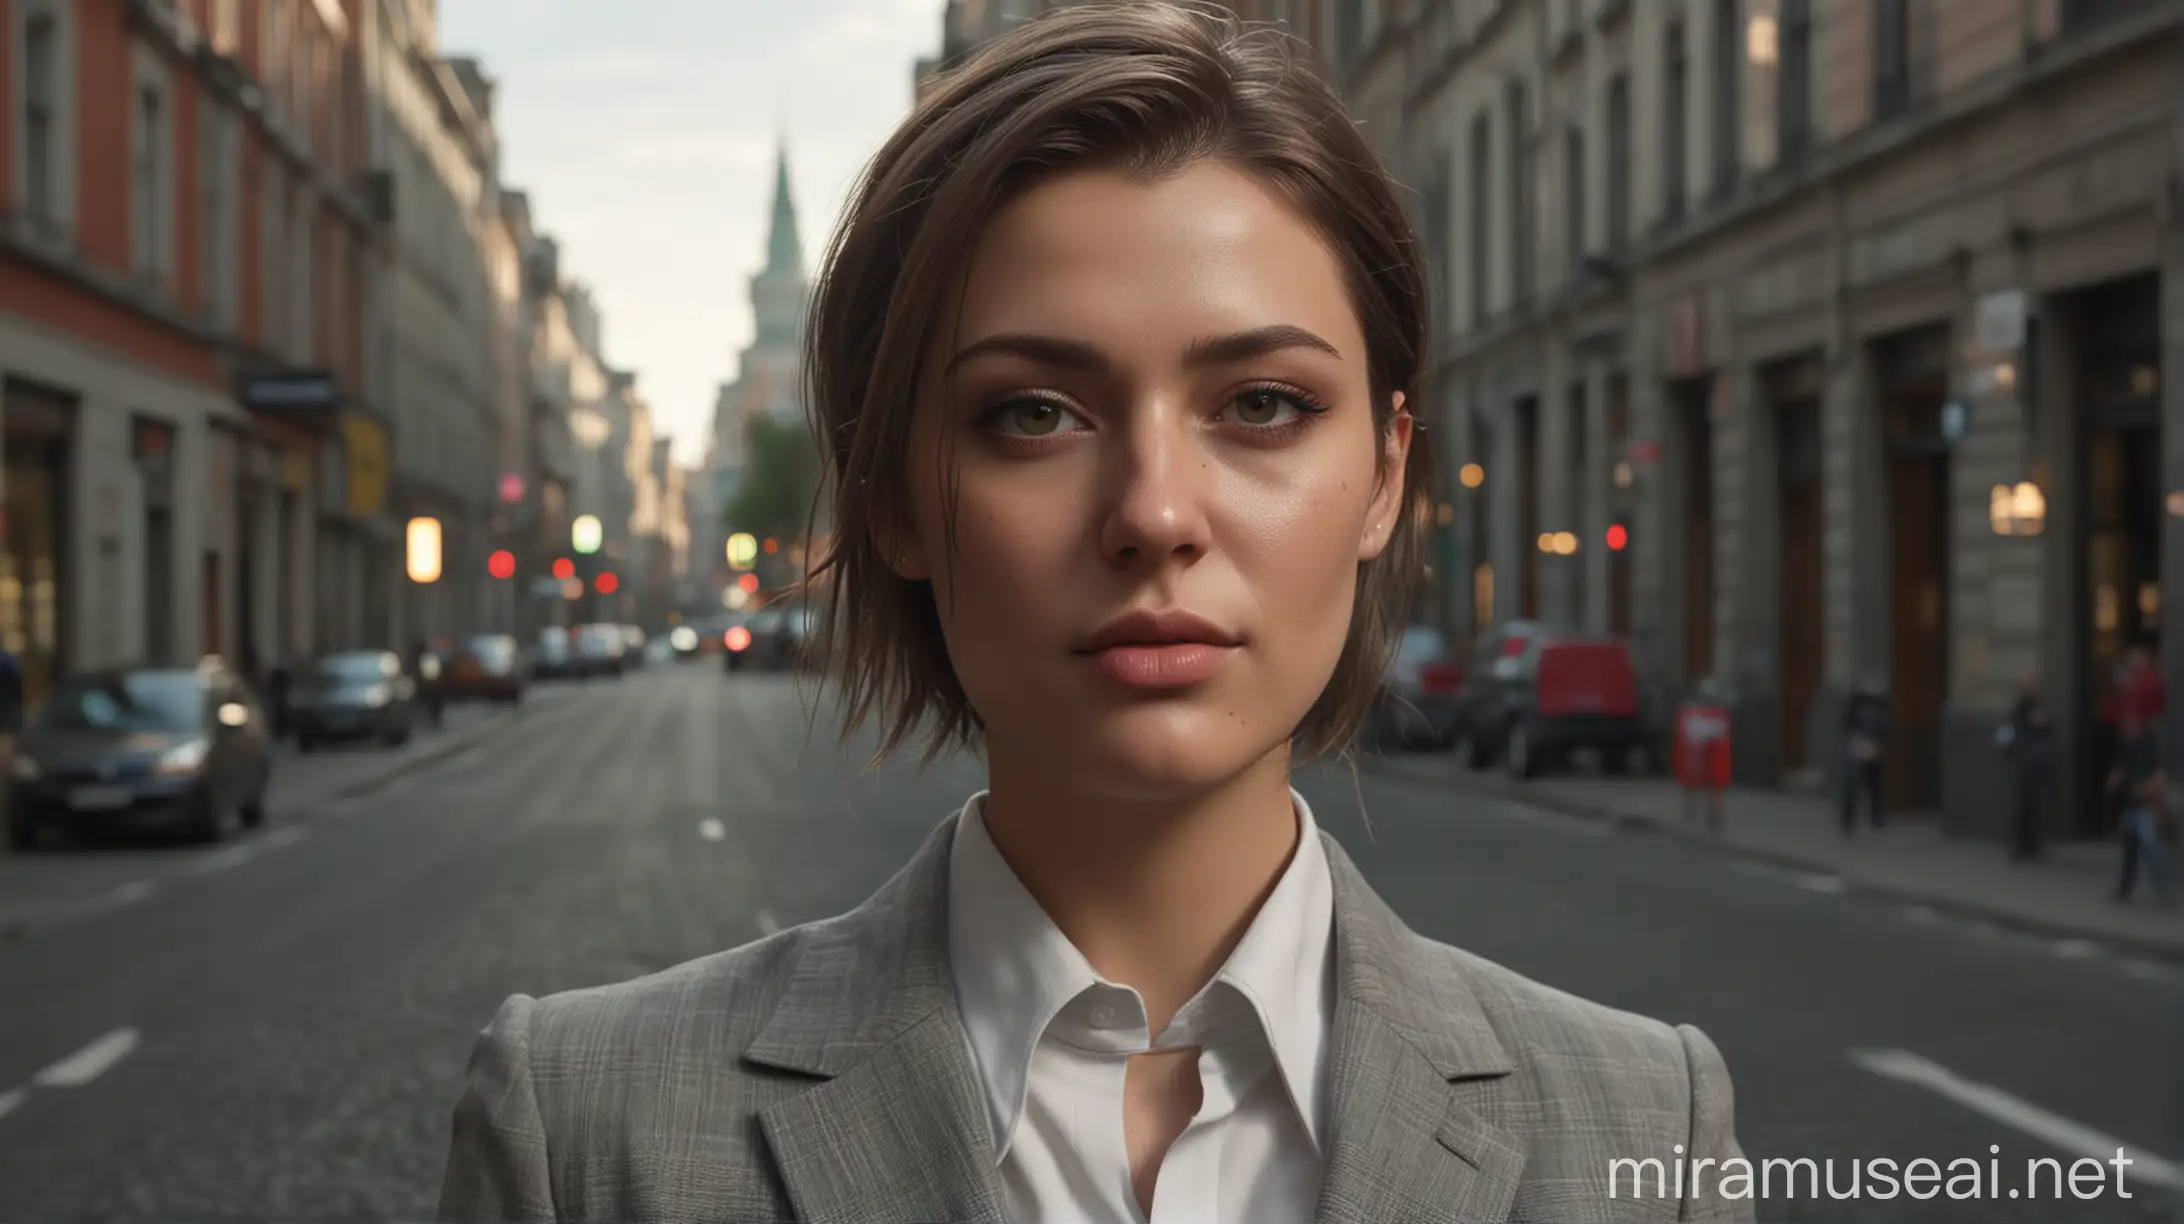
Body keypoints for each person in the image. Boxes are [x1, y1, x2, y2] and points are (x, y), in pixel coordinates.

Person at [437, 7, 1749, 1222]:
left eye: (1263, 405)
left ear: (1386, 475)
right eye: (1034, 414)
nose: (1156, 512)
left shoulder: (1652, 1133)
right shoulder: (584, 1129)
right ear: (892, 495)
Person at [2110, 700, 2174, 904]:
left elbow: (2159, 773)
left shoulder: (2149, 743)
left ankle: (2164, 890)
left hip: (2146, 803)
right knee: (2129, 847)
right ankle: (2125, 888)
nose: (2127, 727)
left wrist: (2147, 787)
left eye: (2130, 723)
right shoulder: (2125, 744)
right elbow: (2121, 768)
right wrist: (2115, 778)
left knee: (2152, 845)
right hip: (2130, 803)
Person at [1998, 672, 2053, 861]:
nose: (2030, 689)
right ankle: (2022, 845)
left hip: (2037, 762)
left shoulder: (2041, 705)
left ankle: (2032, 846)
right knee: (2023, 806)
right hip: (2023, 761)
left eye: (2032, 685)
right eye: (2027, 686)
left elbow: (2047, 726)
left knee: (2035, 806)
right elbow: (2011, 729)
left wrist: (2041, 721)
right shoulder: (2019, 707)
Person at [1838, 674, 1889, 835]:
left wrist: (1878, 743)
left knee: (1874, 783)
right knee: (1852, 785)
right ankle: (1849, 820)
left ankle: (1876, 816)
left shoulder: (1880, 705)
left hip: (1872, 746)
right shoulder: (1855, 704)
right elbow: (1846, 724)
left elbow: (1884, 727)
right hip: (1856, 745)